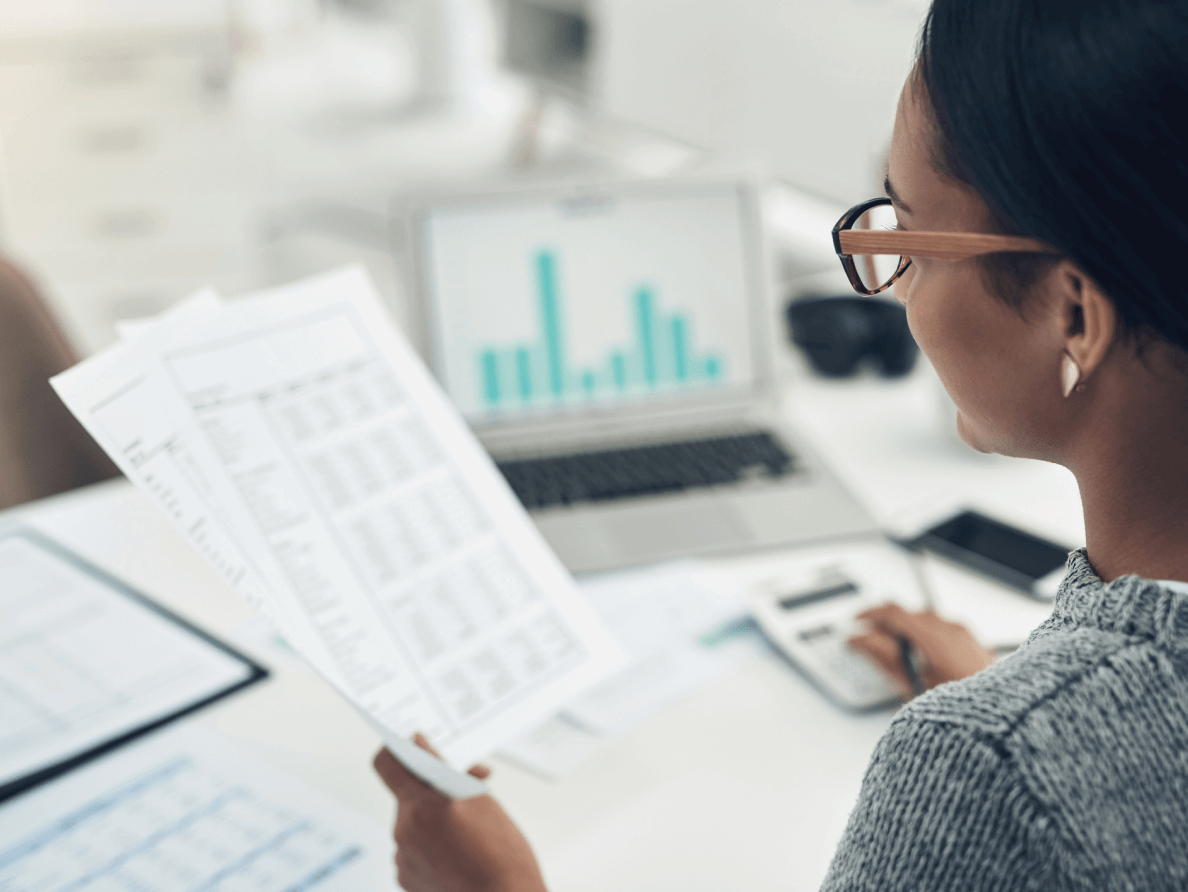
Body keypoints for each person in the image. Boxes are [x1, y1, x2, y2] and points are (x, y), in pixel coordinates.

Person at [372, 0, 1188, 887]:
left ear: (1073, 313)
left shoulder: (988, 766)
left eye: (908, 237)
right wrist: (1025, 691)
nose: (895, 287)